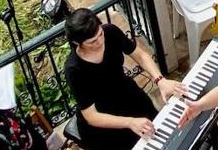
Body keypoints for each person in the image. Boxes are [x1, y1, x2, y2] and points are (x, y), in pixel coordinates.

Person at [64, 8, 185, 149]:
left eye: (100, 34)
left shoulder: (110, 31)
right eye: (92, 42)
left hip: (126, 94)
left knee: (162, 131)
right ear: (77, 43)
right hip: (103, 118)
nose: (100, 41)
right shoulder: (74, 69)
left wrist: (160, 80)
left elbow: (140, 55)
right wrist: (130, 122)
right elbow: (92, 116)